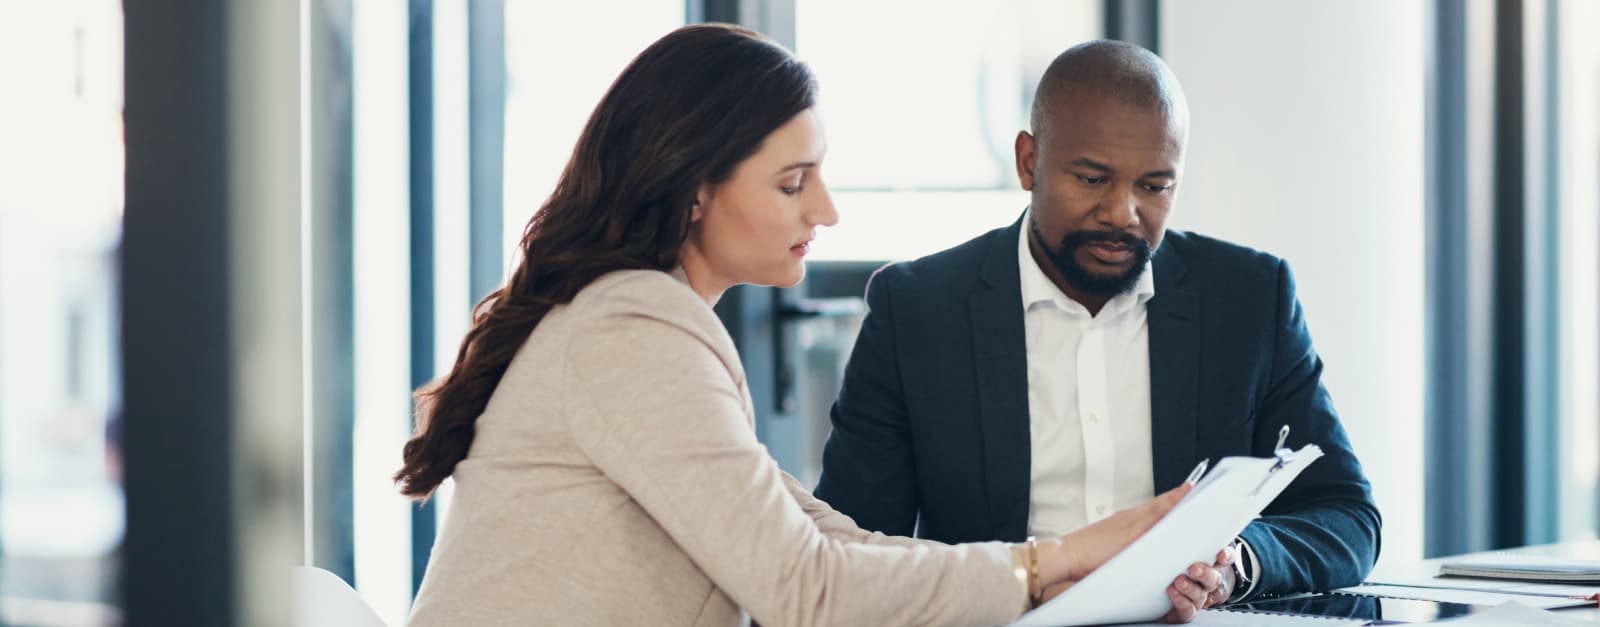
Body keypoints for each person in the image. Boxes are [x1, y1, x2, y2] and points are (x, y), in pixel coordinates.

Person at [394, 25, 1214, 626]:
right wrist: (1039, 566)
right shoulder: (630, 330)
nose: (824, 209)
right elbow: (805, 588)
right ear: (693, 189)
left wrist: (1051, 565)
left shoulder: (642, 325)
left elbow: (833, 539)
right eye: (793, 183)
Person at [814, 39, 1382, 606]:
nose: (1122, 213)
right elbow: (851, 551)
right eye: (1091, 179)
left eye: (1154, 186)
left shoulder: (1250, 300)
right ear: (1028, 162)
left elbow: (1346, 517)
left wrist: (1236, 562)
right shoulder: (918, 310)